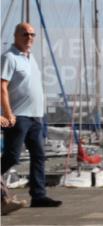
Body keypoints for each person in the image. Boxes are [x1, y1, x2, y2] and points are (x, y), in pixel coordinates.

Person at [1, 23, 61, 208]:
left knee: (39, 155)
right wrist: (8, 114)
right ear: (16, 35)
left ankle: (38, 196)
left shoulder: (30, 58)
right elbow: (2, 87)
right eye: (25, 34)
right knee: (12, 156)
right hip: (18, 116)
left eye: (32, 34)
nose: (29, 38)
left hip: (35, 116)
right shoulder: (9, 57)